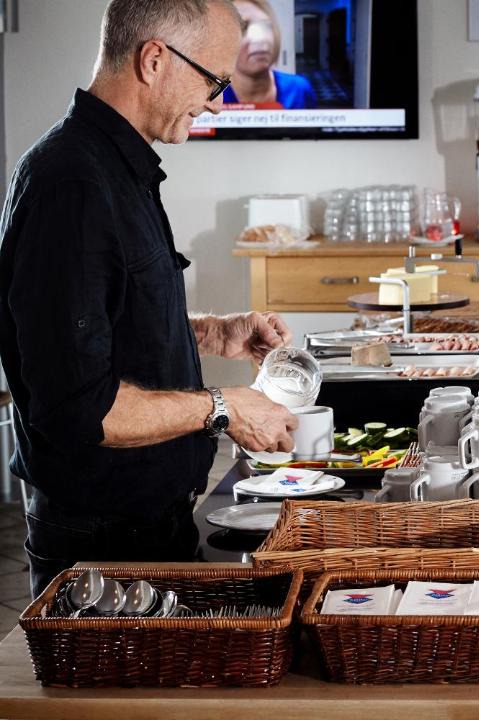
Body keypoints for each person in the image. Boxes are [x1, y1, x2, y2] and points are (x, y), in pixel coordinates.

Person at [0, 0, 299, 598]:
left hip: (149, 525)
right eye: (213, 80)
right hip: (104, 542)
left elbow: (94, 326)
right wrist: (224, 407)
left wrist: (212, 333)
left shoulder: (114, 166)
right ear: (154, 59)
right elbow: (80, 407)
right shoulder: (74, 184)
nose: (218, 100)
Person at [223, 0, 316, 110]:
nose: (261, 38)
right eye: (244, 28)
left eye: (266, 26)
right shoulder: (213, 96)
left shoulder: (299, 90)